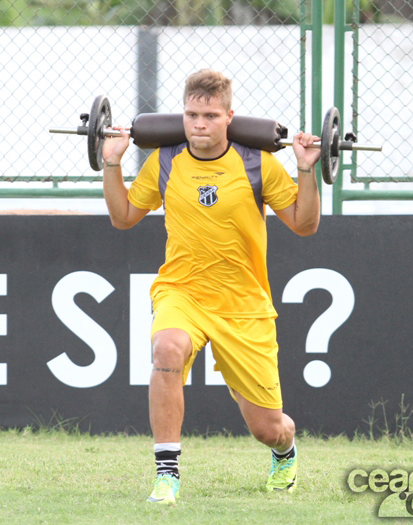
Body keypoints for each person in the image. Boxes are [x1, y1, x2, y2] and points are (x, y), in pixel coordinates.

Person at [101, 69, 321, 505]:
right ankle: (166, 475)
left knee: (268, 428)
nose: (199, 124)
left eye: (210, 116)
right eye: (191, 115)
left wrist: (305, 168)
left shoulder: (258, 163)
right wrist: (111, 162)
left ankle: (285, 451)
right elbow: (123, 216)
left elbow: (305, 224)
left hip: (243, 305)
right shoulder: (164, 161)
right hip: (182, 291)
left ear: (229, 118)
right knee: (166, 349)